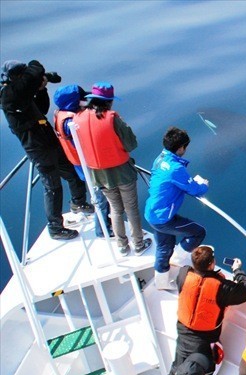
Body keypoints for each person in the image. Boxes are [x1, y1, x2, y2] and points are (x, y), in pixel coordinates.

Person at [0, 59, 92, 240]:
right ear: (17, 78)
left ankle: (78, 203)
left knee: (73, 172)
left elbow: (41, 108)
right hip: (37, 148)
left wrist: (41, 89)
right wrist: (37, 74)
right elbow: (34, 68)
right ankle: (55, 227)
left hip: (48, 142)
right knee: (52, 187)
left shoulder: (22, 96)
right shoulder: (8, 95)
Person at [157, 245, 246, 375]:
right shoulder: (222, 287)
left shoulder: (183, 274)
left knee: (175, 372)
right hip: (204, 341)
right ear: (211, 264)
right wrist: (237, 271)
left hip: (183, 333)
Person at [73, 82, 151, 256]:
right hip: (122, 172)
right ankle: (138, 244)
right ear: (109, 101)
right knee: (131, 209)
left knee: (115, 209)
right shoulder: (112, 118)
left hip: (98, 175)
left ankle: (122, 247)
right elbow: (131, 144)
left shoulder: (77, 118)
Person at [144, 126, 209, 290]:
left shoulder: (160, 158)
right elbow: (194, 190)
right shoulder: (176, 168)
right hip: (164, 218)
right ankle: (180, 257)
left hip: (152, 213)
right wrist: (204, 185)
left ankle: (161, 283)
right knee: (199, 232)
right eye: (185, 146)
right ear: (180, 148)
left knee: (164, 247)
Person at [52, 84, 112, 238]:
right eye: (81, 99)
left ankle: (105, 225)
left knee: (99, 195)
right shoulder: (70, 122)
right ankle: (103, 230)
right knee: (101, 197)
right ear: (73, 102)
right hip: (87, 165)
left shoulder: (60, 114)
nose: (84, 101)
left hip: (77, 163)